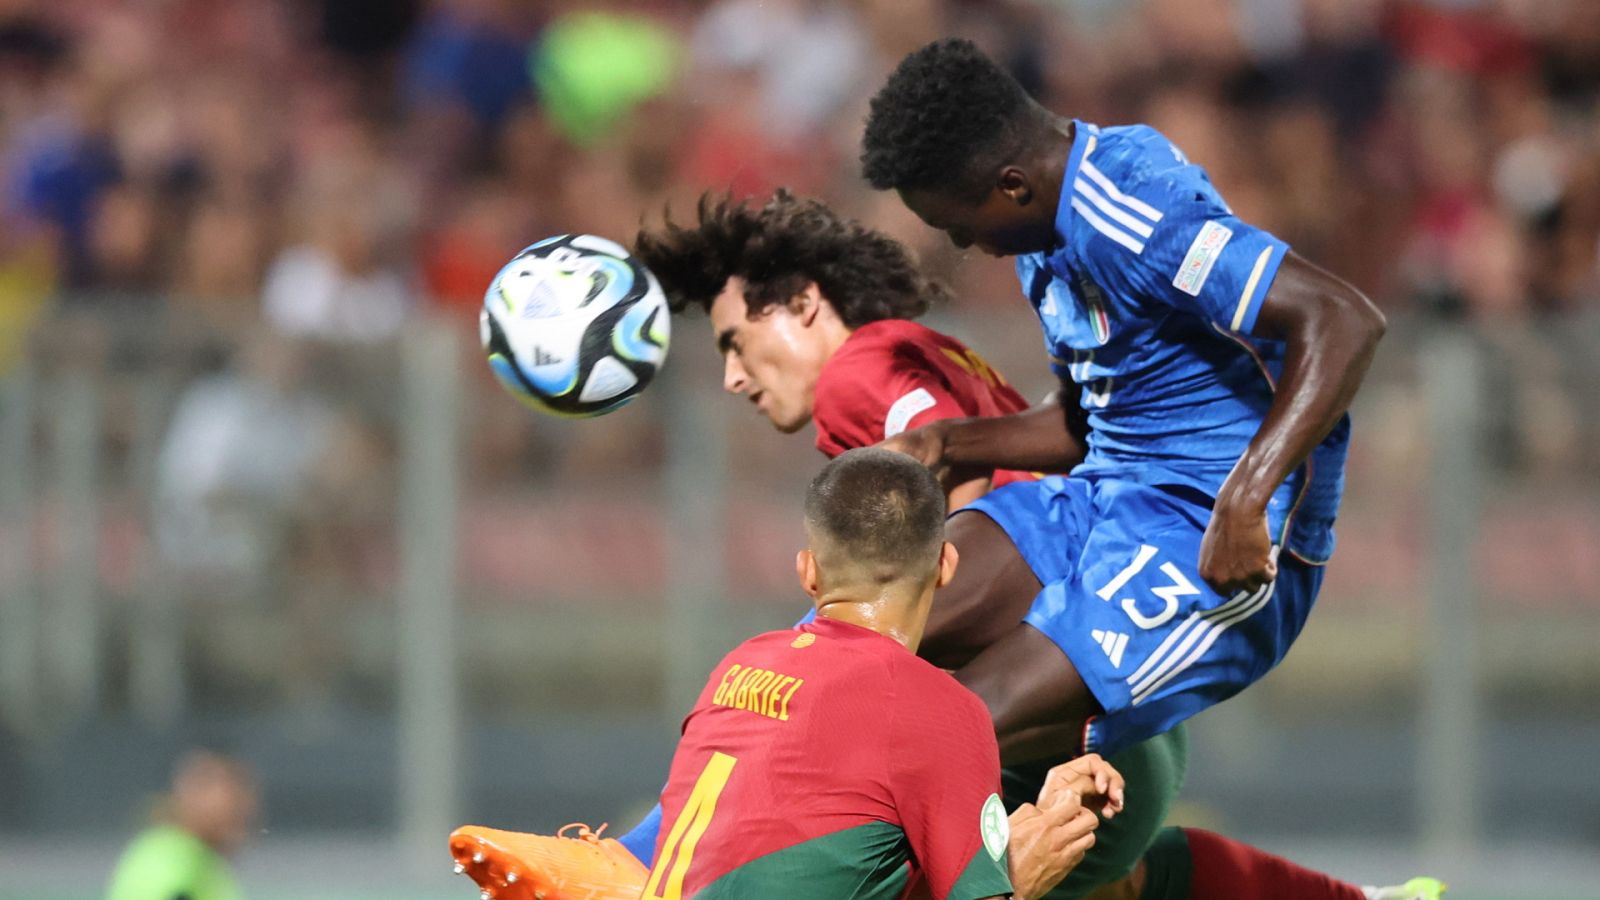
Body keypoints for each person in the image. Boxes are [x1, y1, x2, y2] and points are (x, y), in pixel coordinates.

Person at [447, 191, 1441, 900]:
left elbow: (939, 528)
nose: (733, 381)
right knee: (1122, 876)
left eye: (736, 344)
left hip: (1035, 687)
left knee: (816, 662)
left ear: (803, 305)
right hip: (1112, 724)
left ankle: (640, 861)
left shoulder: (861, 372)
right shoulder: (931, 353)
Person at [454, 449, 1124, 900]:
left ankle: (621, 871)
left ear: (807, 572)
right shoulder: (935, 708)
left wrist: (1030, 819)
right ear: (946, 567)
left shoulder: (738, 665)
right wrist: (1023, 872)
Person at [105, 749, 259, 900]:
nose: (245, 808)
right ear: (191, 794)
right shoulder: (169, 862)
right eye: (233, 801)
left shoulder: (198, 860)